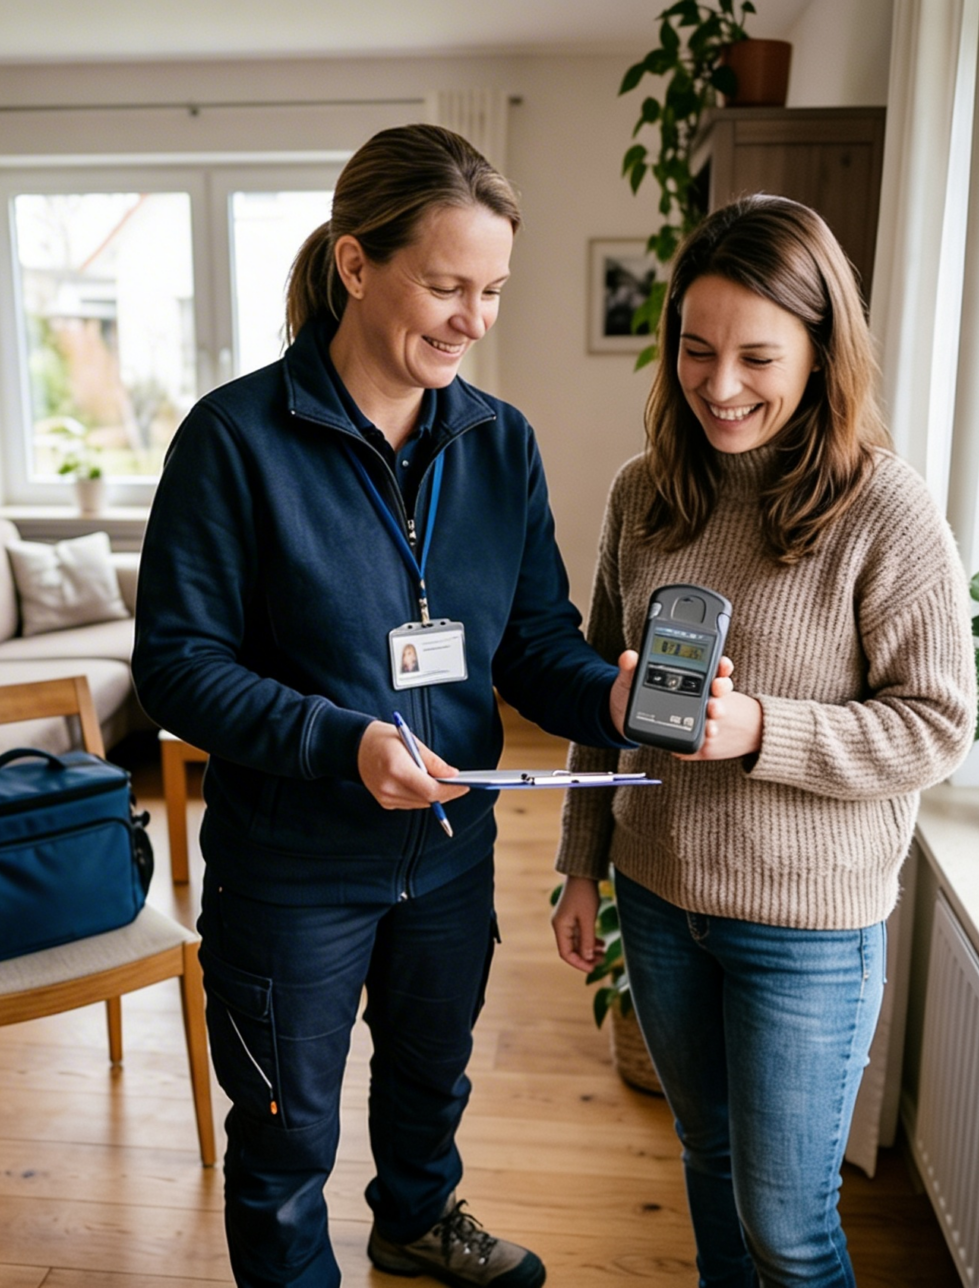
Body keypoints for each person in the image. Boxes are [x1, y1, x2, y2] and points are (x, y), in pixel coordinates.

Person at [134, 123, 647, 1288]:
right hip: (294, 867)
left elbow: (531, 645)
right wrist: (341, 738)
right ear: (356, 266)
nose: (474, 318)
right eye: (448, 285)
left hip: (450, 851)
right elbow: (176, 663)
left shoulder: (498, 443)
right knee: (284, 1135)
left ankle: (415, 1220)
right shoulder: (233, 441)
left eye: (495, 290)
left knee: (430, 1079)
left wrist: (612, 693)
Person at [549, 195, 974, 1288]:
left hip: (809, 929)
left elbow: (937, 725)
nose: (721, 385)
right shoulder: (644, 494)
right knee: (707, 1162)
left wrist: (759, 730)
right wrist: (580, 865)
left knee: (788, 1226)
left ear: (823, 351)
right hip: (657, 895)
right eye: (696, 351)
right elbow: (609, 692)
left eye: (756, 356)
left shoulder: (887, 511)